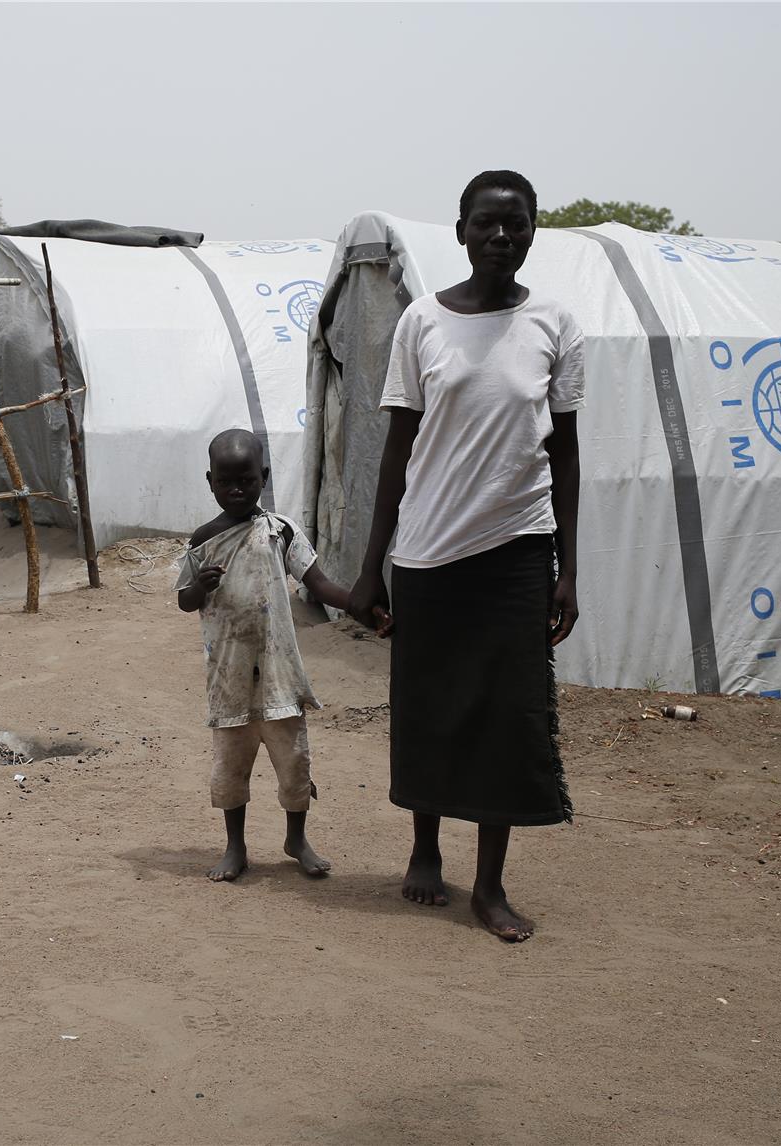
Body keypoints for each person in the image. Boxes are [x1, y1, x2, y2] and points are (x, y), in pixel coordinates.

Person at [348, 170, 584, 942]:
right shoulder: (422, 323)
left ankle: (489, 886)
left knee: (504, 721)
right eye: (486, 223)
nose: (501, 236)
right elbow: (397, 451)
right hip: (428, 553)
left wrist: (568, 571)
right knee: (430, 710)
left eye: (515, 224)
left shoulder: (554, 324)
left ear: (532, 231)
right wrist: (369, 565)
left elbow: (568, 456)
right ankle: (424, 851)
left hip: (516, 551)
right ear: (460, 231)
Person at [176, 428, 385, 882]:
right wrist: (199, 587)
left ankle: (297, 839)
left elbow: (320, 583)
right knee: (230, 767)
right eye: (226, 482)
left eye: (246, 480)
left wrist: (359, 605)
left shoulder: (280, 530)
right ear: (210, 481)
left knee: (293, 763)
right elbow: (183, 600)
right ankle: (235, 846)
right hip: (229, 676)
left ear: (263, 477)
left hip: (278, 675)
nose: (236, 490)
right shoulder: (202, 542)